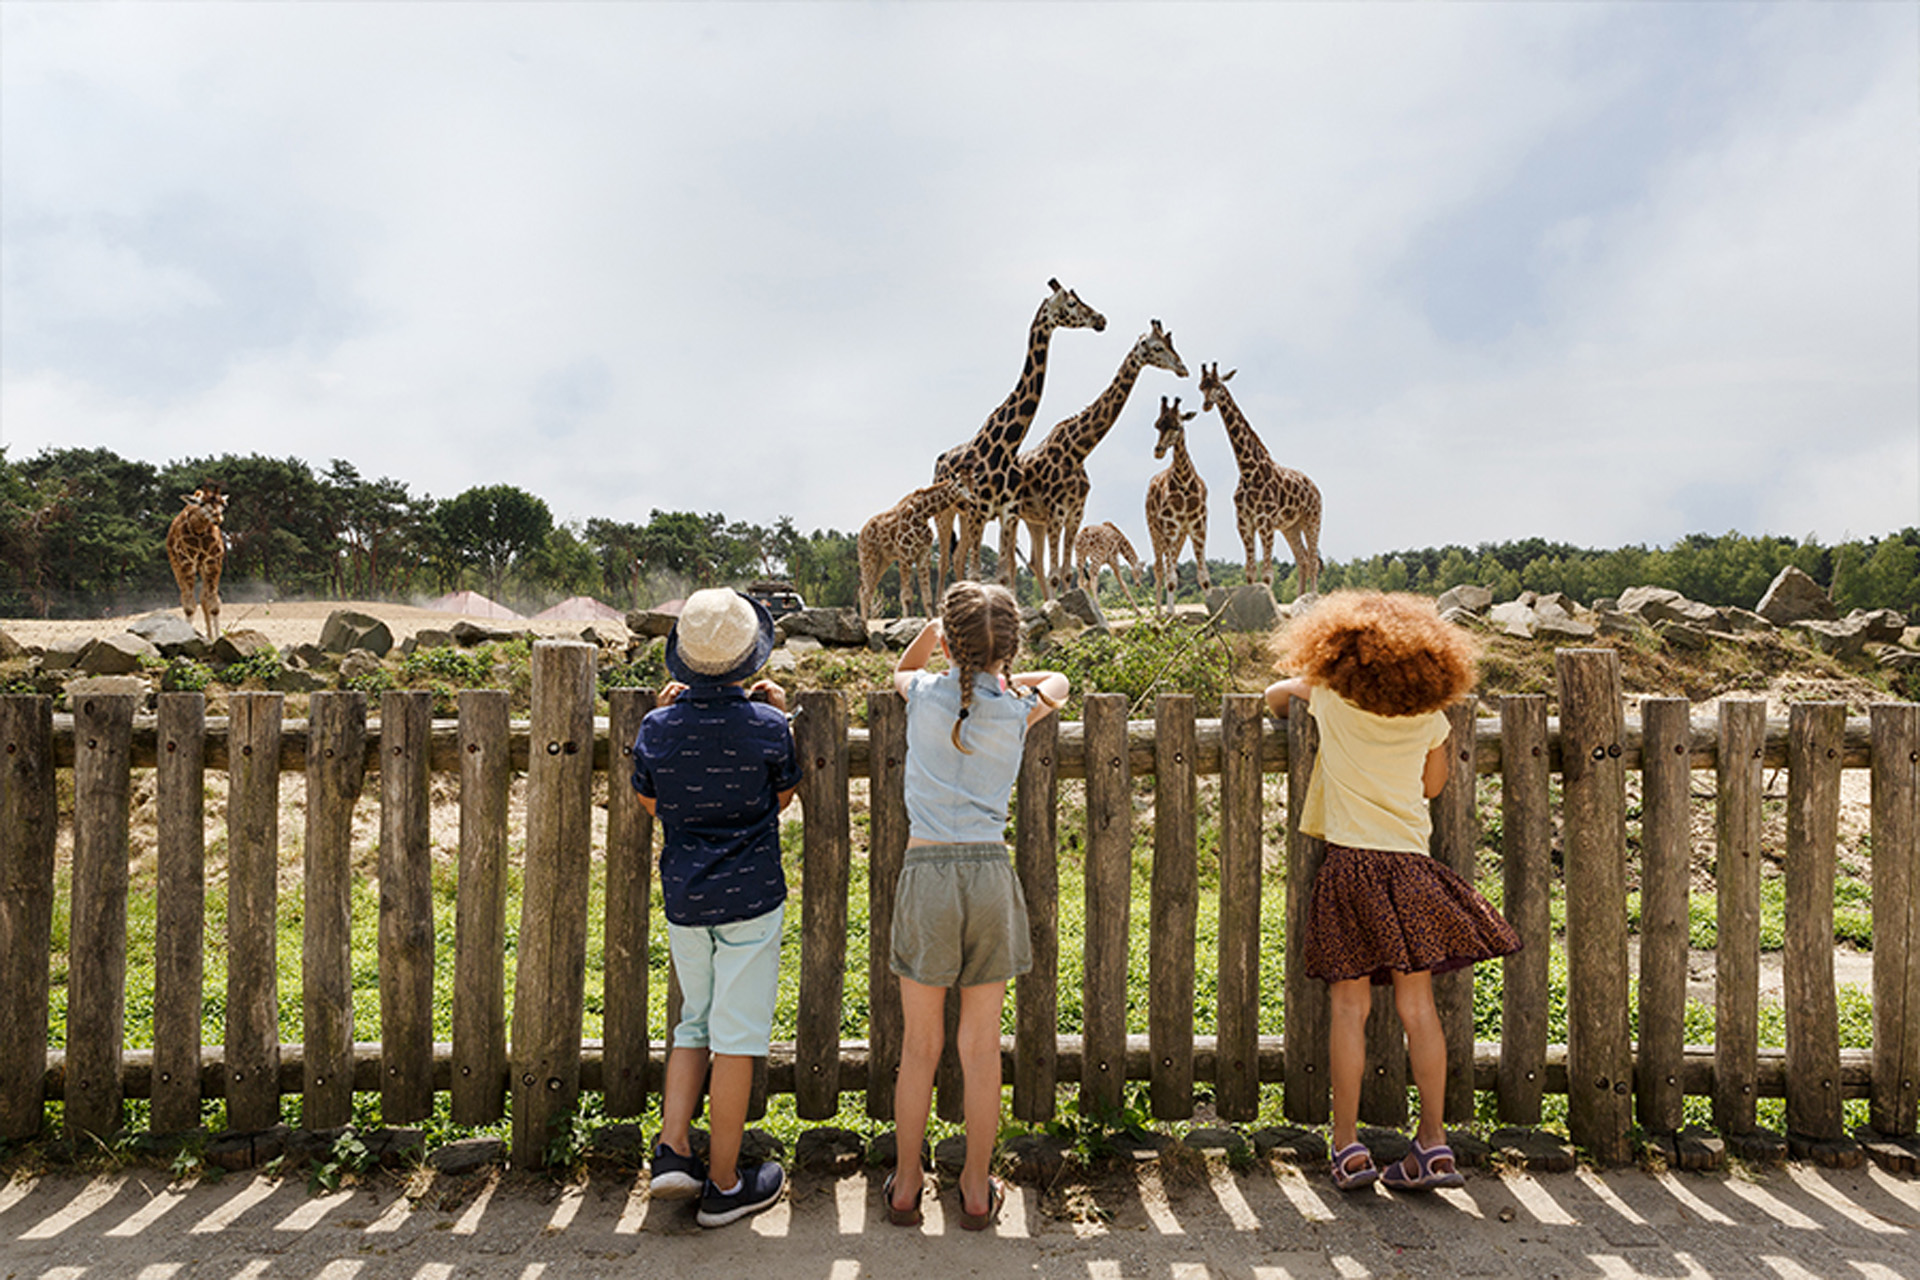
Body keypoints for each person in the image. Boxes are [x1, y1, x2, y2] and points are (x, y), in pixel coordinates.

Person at [1264, 590, 1520, 1192]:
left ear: (1340, 650)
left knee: (1349, 1010)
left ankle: (1348, 1144)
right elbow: (1433, 787)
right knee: (1418, 1009)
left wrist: (1303, 688)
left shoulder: (1327, 698)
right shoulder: (1431, 719)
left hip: (1349, 868)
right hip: (1409, 870)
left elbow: (1276, 697)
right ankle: (1433, 1143)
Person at [885, 580, 1069, 1230]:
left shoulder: (927, 693)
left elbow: (902, 668)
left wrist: (937, 634)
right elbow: (1062, 680)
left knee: (920, 1045)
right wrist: (1004, 666)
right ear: (1011, 646)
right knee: (982, 1047)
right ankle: (972, 1187)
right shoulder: (1019, 704)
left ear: (950, 640)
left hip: (928, 871)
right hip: (990, 873)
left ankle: (906, 1185)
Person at [632, 587, 801, 1227]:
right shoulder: (765, 727)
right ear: (748, 661)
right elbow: (783, 796)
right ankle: (726, 1183)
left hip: (686, 898)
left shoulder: (658, 727)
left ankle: (674, 1148)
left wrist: (660, 717)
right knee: (737, 1037)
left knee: (692, 1024)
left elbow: (653, 803)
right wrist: (780, 716)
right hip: (751, 899)